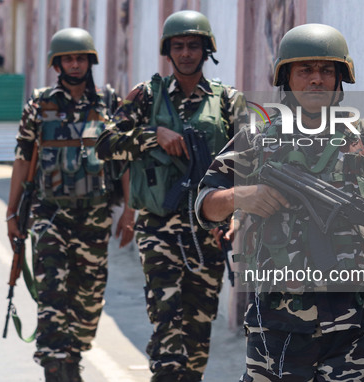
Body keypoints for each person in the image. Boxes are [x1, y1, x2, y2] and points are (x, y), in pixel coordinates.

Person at [196, 23, 364, 381]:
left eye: (326, 70)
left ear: (340, 78)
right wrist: (242, 196)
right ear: (287, 77)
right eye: (305, 70)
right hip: (278, 325)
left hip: (352, 324)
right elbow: (205, 204)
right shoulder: (256, 139)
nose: (316, 79)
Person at [95, 10, 246, 382]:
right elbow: (104, 143)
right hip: (159, 229)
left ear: (206, 49)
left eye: (193, 45)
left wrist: (237, 220)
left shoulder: (228, 100)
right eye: (178, 46)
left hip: (207, 233)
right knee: (167, 335)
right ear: (167, 51)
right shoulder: (148, 96)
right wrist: (153, 137)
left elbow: (250, 162)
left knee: (196, 339)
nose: (186, 53)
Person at [6, 27, 134, 382]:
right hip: (50, 217)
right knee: (52, 301)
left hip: (94, 218)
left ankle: (71, 360)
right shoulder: (40, 104)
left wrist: (130, 211)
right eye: (68, 58)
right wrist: (11, 212)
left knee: (88, 307)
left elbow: (123, 160)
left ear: (90, 61)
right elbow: (23, 157)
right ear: (57, 63)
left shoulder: (109, 103)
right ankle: (55, 368)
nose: (75, 64)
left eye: (80, 58)